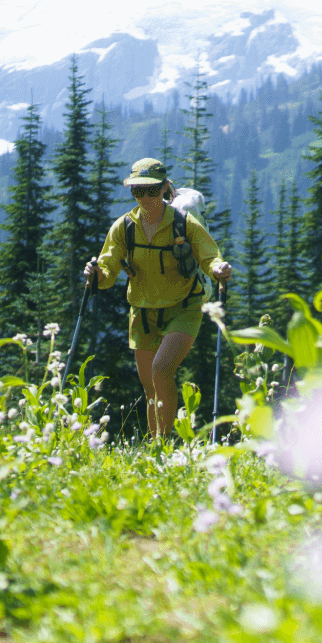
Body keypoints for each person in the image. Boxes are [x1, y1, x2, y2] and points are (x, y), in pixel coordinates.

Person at [84, 158, 232, 440]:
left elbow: (209, 255)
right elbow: (107, 271)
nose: (145, 197)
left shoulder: (183, 224)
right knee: (151, 387)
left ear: (165, 189)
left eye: (151, 190)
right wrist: (94, 275)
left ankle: (164, 444)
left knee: (161, 370)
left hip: (184, 308)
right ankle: (158, 448)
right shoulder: (124, 227)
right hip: (142, 313)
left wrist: (218, 269)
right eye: (137, 191)